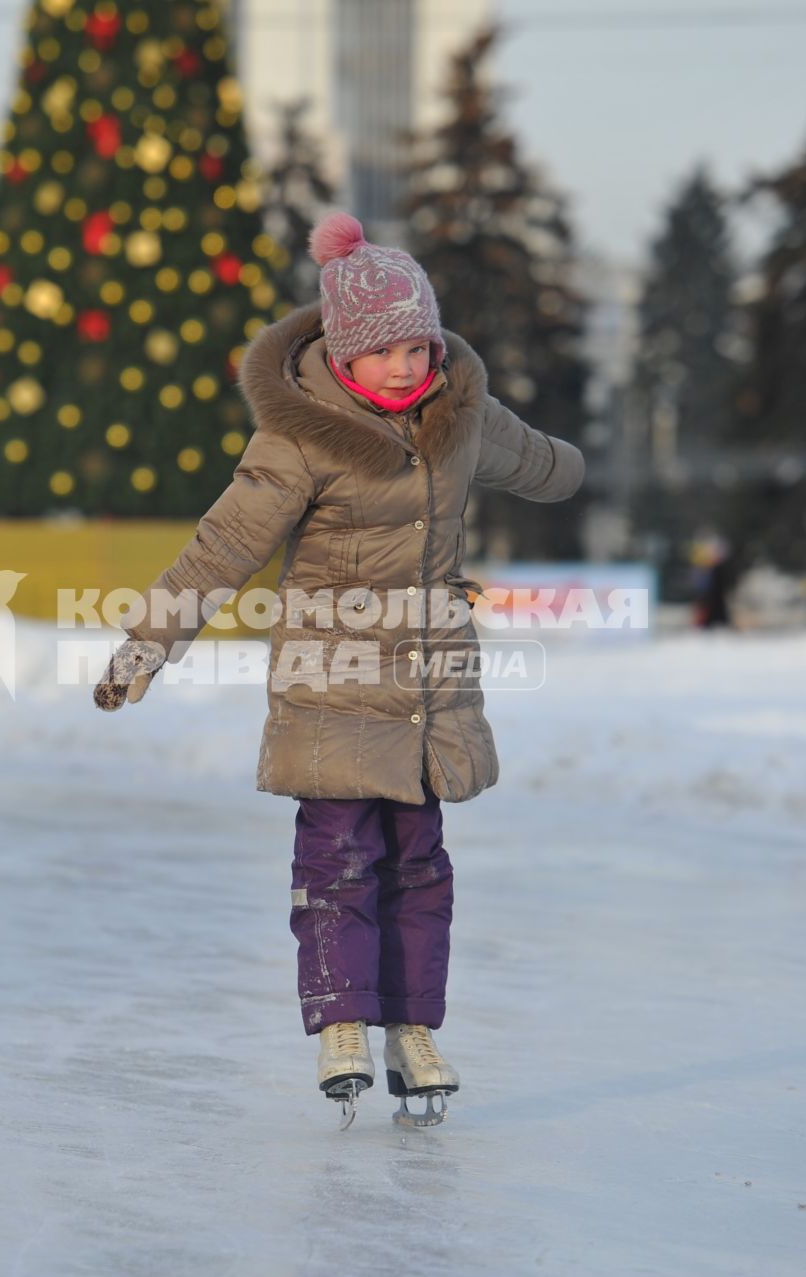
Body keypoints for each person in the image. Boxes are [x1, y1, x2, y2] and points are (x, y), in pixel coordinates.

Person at [94, 212, 585, 1126]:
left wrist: (575, 466)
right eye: (387, 350)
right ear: (344, 353)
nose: (406, 366)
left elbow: (535, 461)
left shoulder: (458, 417)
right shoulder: (302, 438)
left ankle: (412, 1026)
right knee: (337, 861)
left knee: (421, 866)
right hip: (329, 684)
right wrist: (145, 644)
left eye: (420, 345)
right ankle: (342, 1020)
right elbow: (223, 547)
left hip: (427, 695)